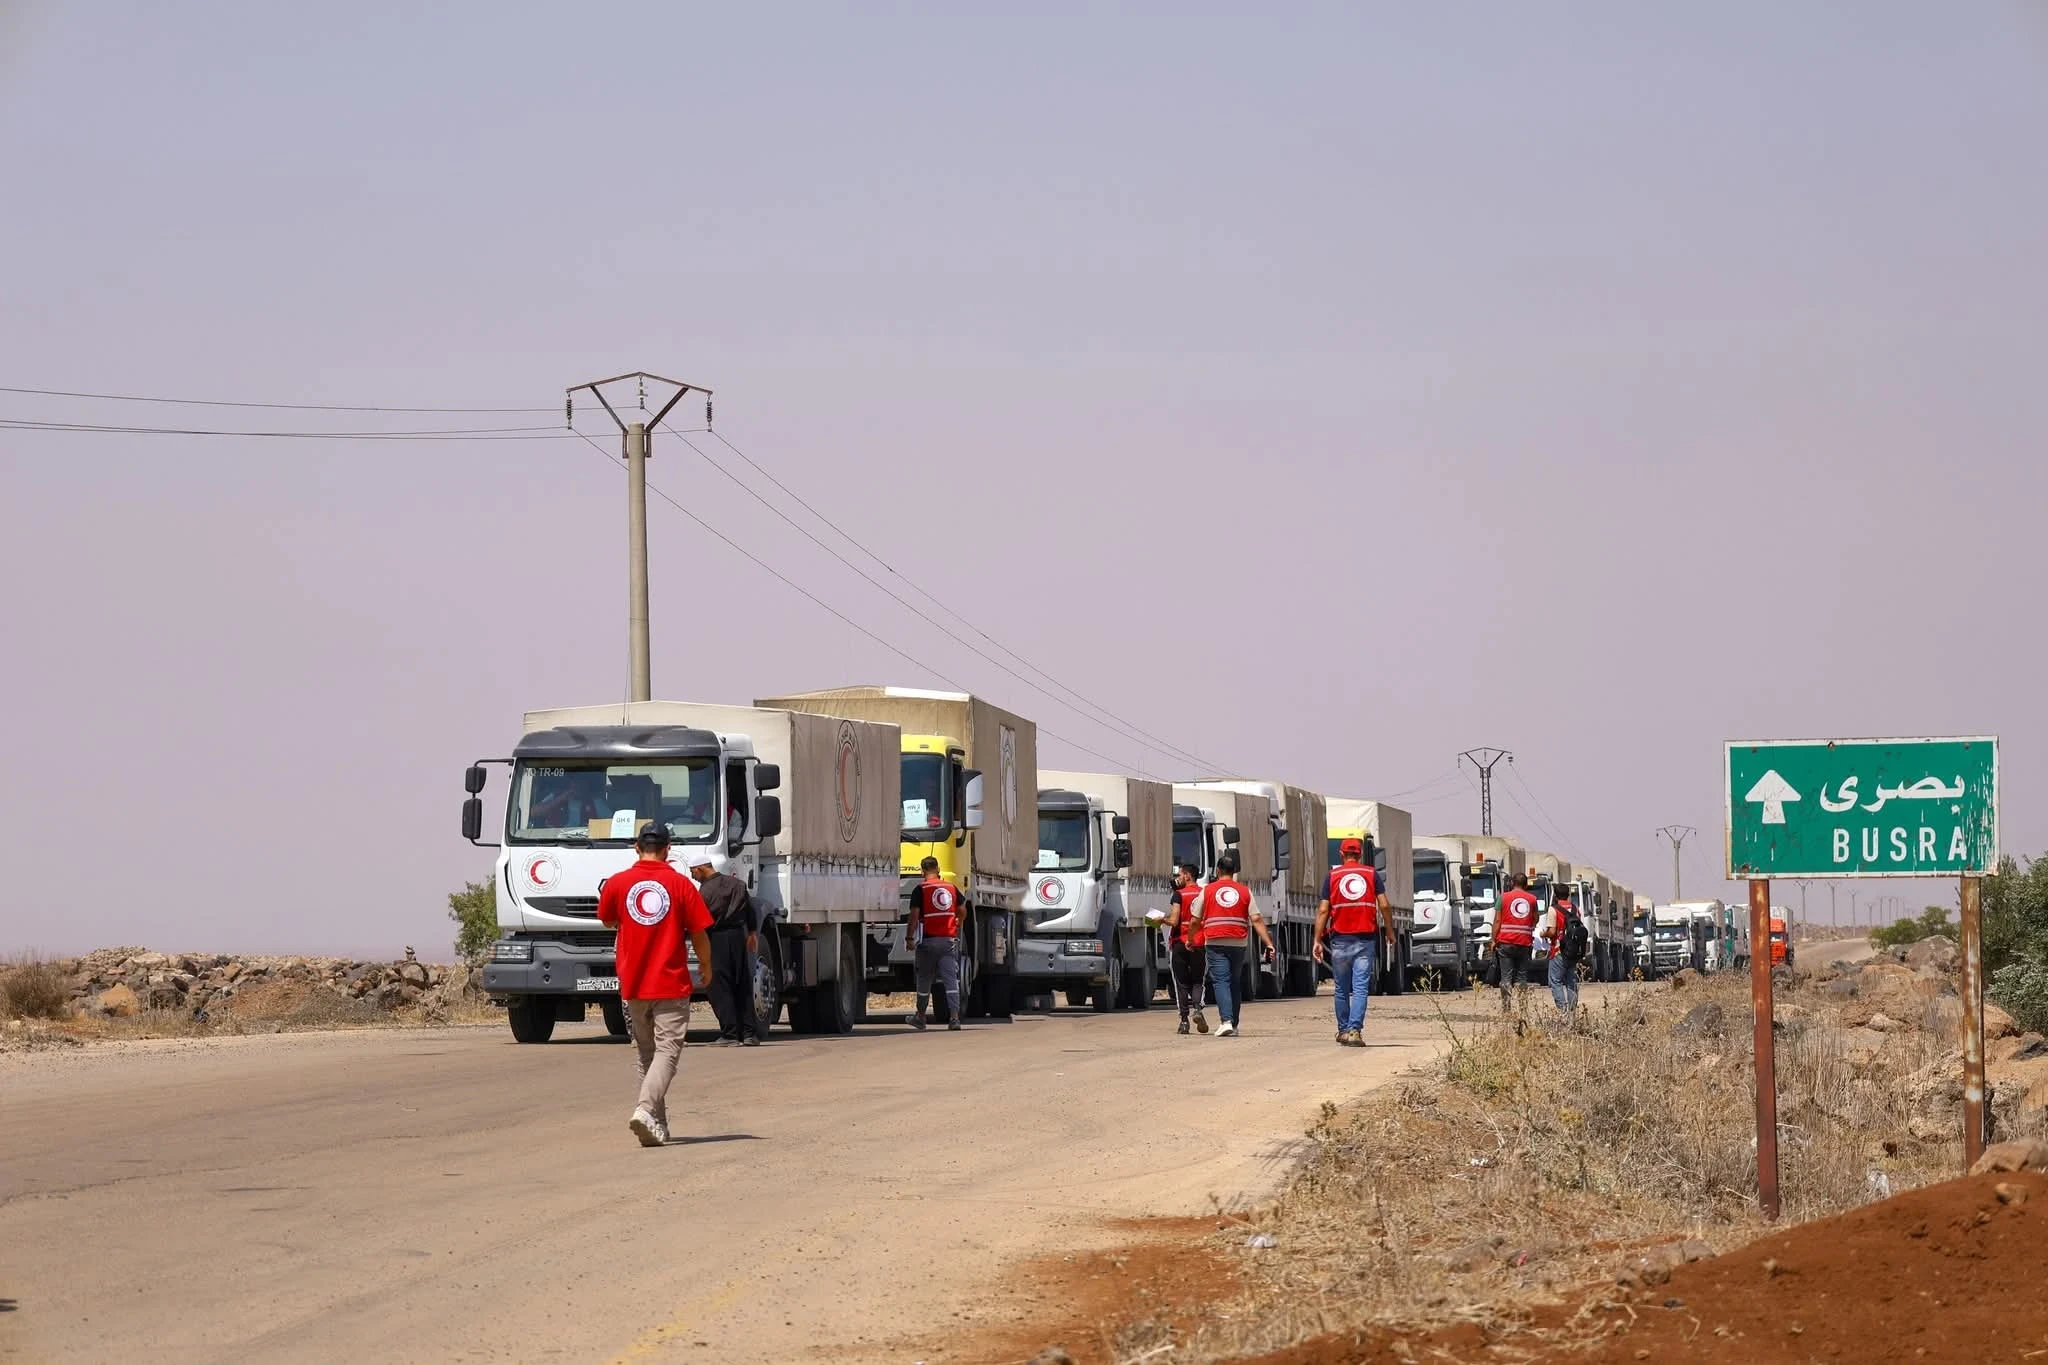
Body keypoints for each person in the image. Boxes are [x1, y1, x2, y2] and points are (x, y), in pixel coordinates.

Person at [596, 822, 713, 1147]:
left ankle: (656, 1127)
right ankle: (646, 1109)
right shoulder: (680, 885)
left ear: (636, 847)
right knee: (668, 1051)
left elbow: (606, 919)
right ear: (667, 849)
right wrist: (705, 965)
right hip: (670, 982)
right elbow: (699, 933)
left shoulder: (618, 884)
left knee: (648, 1055)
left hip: (633, 982)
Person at [1312, 837, 1391, 1047]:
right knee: (1360, 987)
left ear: (1341, 854)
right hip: (1365, 939)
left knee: (1341, 988)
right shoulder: (1371, 874)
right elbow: (1384, 905)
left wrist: (1317, 939)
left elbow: (1323, 910)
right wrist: (1389, 931)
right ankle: (1355, 1031)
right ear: (1360, 854)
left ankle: (1343, 1030)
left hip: (1340, 940)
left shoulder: (1332, 876)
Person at [1187, 851, 1275, 1038]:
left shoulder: (1208, 890)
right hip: (1238, 942)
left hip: (1215, 941)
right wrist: (1268, 943)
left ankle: (1226, 1021)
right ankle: (1233, 1024)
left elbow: (1195, 920)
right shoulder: (1244, 891)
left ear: (1218, 871)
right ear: (1234, 871)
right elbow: (1257, 919)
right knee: (1234, 982)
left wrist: (1190, 939)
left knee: (1221, 981)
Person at [690, 854, 765, 1046]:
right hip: (739, 937)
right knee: (742, 983)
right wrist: (752, 933)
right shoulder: (738, 885)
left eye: (693, 872)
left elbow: (700, 921)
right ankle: (749, 1034)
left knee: (719, 986)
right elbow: (750, 911)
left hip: (715, 939)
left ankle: (730, 1034)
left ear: (700, 868)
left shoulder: (705, 892)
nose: (693, 877)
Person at [905, 856, 963, 1031]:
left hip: (928, 942)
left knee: (924, 979)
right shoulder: (951, 888)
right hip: (947, 941)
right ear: (938, 869)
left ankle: (921, 1017)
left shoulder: (920, 890)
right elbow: (962, 909)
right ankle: (954, 1019)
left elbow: (914, 916)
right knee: (951, 980)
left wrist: (909, 938)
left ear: (922, 872)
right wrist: (958, 922)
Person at [1163, 862, 1209, 1035]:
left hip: (1180, 942)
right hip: (1200, 943)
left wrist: (1161, 920)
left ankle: (1184, 1021)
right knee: (1198, 980)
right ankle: (1198, 1009)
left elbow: (1174, 921)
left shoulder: (1178, 895)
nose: (1177, 878)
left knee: (1181, 983)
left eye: (1180, 875)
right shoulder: (1205, 893)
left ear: (1188, 876)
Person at [1491, 872, 1540, 1015]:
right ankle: (1523, 1009)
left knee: (1506, 977)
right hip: (1524, 942)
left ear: (1512, 883)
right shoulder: (1532, 899)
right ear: (1526, 885)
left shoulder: (1502, 898)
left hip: (1505, 942)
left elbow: (1498, 921)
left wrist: (1494, 939)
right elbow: (1535, 918)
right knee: (1522, 977)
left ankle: (1506, 1010)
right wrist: (1528, 927)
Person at [1546, 887, 1586, 1015]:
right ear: (1568, 895)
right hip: (1573, 951)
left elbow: (1552, 932)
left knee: (1555, 981)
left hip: (1559, 951)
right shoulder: (1575, 909)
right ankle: (1572, 1013)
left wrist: (1543, 934)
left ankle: (1563, 1011)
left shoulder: (1553, 909)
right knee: (1571, 982)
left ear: (1555, 896)